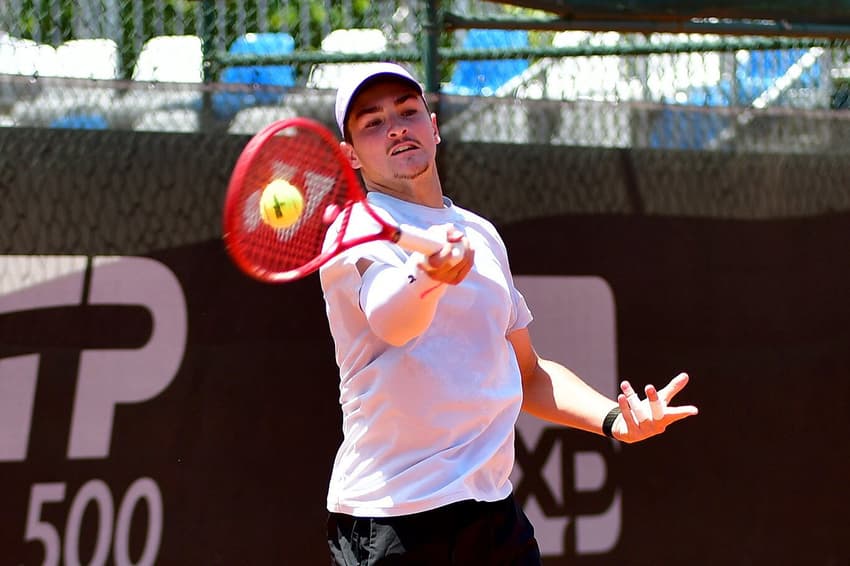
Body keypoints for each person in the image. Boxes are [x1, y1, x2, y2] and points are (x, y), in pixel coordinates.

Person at [319, 62, 698, 565]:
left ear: (433, 127)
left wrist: (615, 421)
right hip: (392, 520)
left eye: (408, 112)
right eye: (373, 122)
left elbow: (528, 373)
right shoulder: (354, 229)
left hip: (493, 516)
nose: (395, 128)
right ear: (351, 155)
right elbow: (394, 321)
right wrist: (428, 276)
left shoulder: (481, 235)